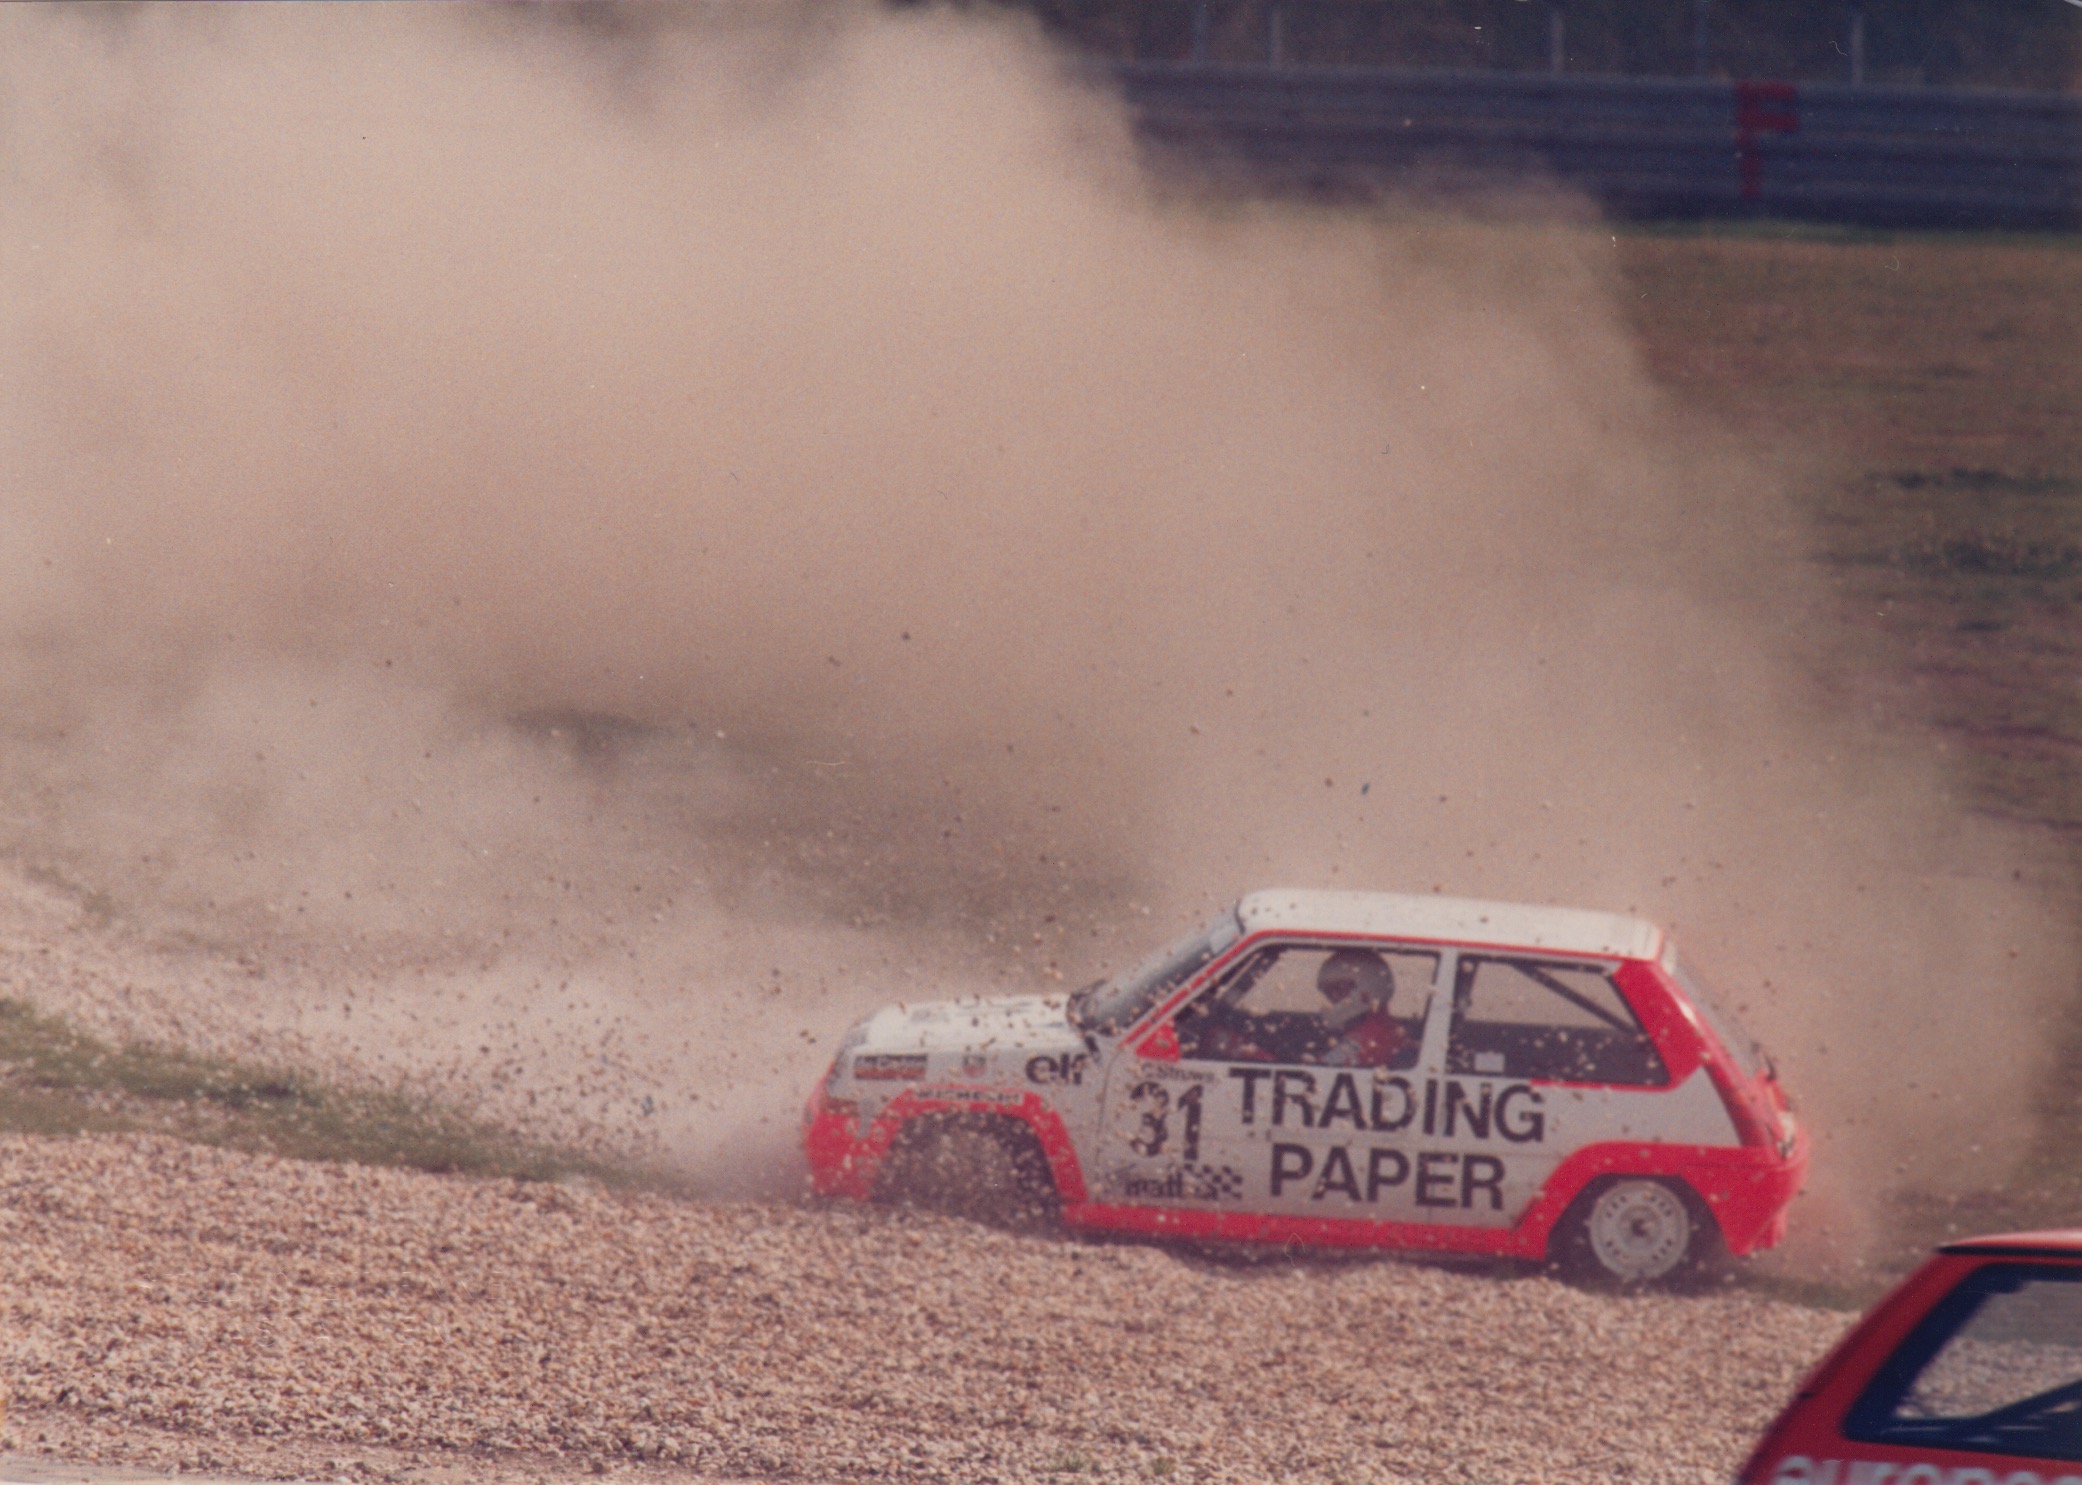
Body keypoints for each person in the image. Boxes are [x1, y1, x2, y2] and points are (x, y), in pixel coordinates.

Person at [1315, 948, 1408, 1067]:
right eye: (1328, 992)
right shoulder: (1389, 1029)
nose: (1333, 998)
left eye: (1339, 989)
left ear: (1368, 990)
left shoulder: (1365, 1038)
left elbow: (1325, 1067)